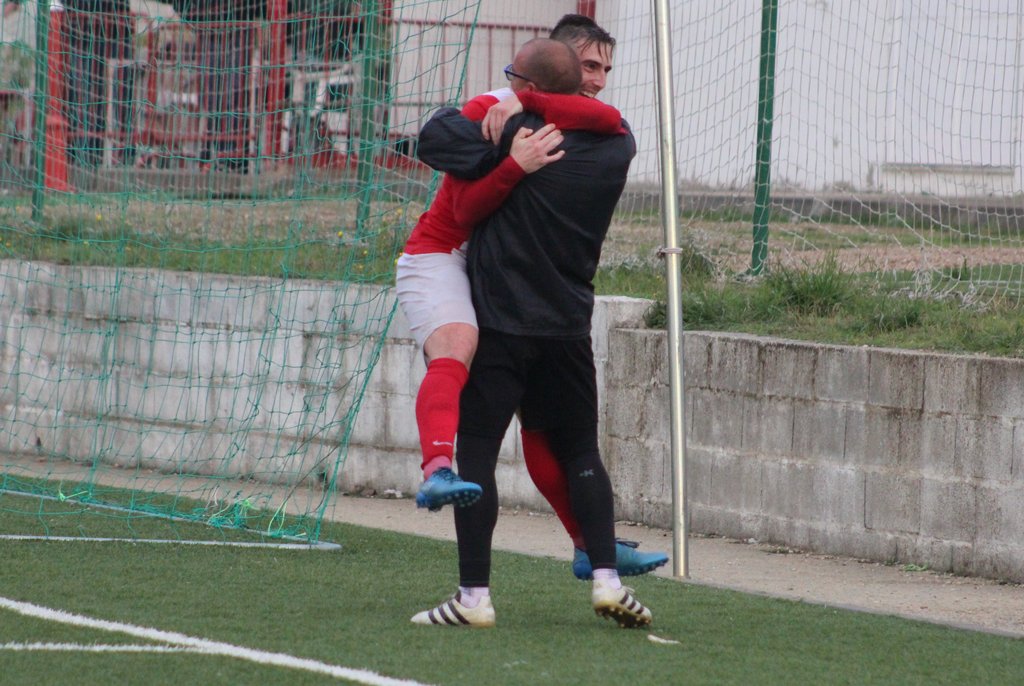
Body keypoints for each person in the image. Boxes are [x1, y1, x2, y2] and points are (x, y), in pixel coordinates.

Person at [396, 13, 667, 582]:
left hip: (503, 280)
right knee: (458, 347)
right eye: (587, 66)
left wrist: (530, 109)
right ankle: (438, 471)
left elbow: (611, 120)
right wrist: (513, 154)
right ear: (554, 64)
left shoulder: (577, 127)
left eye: (605, 70)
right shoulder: (499, 112)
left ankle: (589, 548)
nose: (597, 80)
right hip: (442, 254)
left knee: (543, 429)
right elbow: (445, 162)